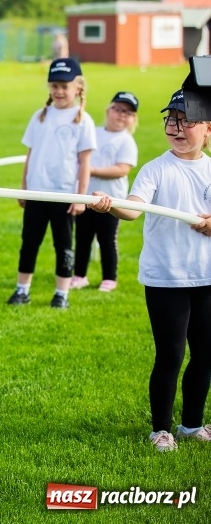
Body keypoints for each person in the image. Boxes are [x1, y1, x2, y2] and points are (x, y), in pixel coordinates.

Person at [87, 88, 211, 452]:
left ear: (208, 129)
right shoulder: (156, 169)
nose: (176, 127)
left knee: (205, 354)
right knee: (171, 354)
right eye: (171, 119)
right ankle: (160, 429)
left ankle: (191, 424)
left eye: (186, 121)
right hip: (166, 278)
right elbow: (134, 208)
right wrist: (111, 205)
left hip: (206, 277)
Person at [7, 58, 96, 309]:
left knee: (64, 245)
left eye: (64, 86)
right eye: (54, 85)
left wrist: (81, 198)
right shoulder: (40, 116)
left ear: (77, 88)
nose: (58, 91)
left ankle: (61, 294)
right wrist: (24, 187)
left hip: (64, 195)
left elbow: (85, 162)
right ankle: (22, 289)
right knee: (30, 242)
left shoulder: (83, 121)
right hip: (37, 191)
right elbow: (30, 155)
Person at [71, 92, 139, 292]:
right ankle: (79, 275)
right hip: (85, 197)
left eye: (127, 112)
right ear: (108, 110)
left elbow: (122, 169)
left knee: (107, 240)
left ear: (133, 119)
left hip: (111, 202)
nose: (120, 115)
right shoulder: (94, 132)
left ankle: (109, 278)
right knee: (82, 238)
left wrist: (91, 170)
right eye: (117, 109)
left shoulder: (126, 141)